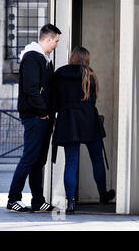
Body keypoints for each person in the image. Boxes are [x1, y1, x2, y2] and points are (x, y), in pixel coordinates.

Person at [52, 46, 115, 215]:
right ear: (86, 59)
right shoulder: (89, 74)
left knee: (71, 162)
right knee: (97, 159)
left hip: (68, 120)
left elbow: (54, 101)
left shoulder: (59, 75)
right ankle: (103, 194)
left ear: (72, 57)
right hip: (88, 120)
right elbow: (92, 100)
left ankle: (70, 201)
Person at [7, 23, 61, 213]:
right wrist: (43, 111)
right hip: (35, 116)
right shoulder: (32, 57)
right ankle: (13, 199)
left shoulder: (45, 59)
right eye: (55, 41)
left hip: (43, 116)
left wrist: (49, 113)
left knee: (39, 160)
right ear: (48, 39)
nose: (56, 45)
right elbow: (31, 89)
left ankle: (38, 200)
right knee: (30, 157)